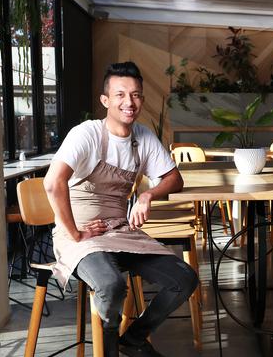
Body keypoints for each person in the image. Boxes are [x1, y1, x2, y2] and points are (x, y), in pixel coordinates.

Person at [43, 61, 198, 357]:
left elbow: (174, 178)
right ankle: (110, 346)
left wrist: (147, 195)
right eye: (120, 95)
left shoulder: (143, 137)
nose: (130, 102)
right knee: (112, 285)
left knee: (184, 279)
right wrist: (74, 232)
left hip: (121, 231)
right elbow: (53, 183)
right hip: (81, 237)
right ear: (105, 100)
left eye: (136, 95)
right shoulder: (86, 134)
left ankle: (134, 338)